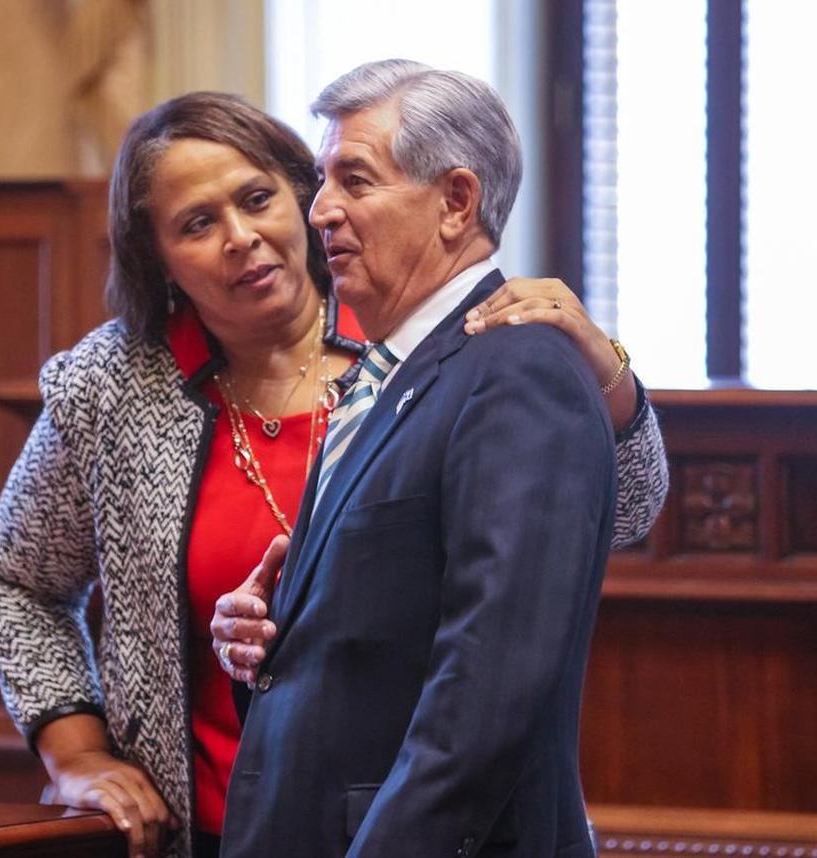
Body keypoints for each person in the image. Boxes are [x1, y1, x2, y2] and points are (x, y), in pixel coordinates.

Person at [0, 91, 668, 858]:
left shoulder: (418, 335)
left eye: (258, 199)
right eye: (198, 224)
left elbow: (619, 514)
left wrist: (610, 371)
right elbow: (12, 580)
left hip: (410, 825)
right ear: (156, 257)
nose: (241, 238)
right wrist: (76, 756)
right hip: (199, 829)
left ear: (303, 199)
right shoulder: (111, 384)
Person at [215, 61, 625, 858]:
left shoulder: (517, 373)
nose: (321, 210)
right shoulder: (392, 375)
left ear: (456, 202)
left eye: (355, 180)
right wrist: (268, 641)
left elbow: (487, 696)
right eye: (321, 181)